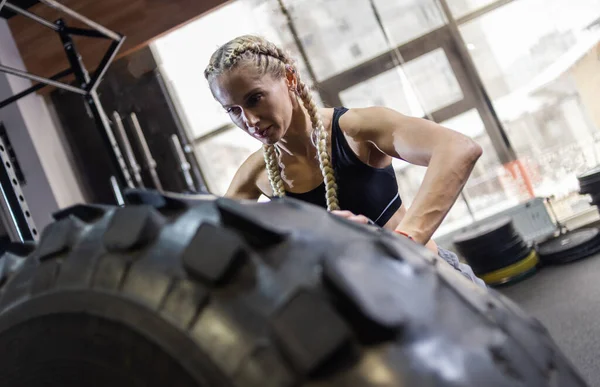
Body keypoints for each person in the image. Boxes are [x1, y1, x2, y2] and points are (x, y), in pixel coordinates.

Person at [204, 35, 486, 287]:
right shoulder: (256, 173)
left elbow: (458, 148)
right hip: (373, 316)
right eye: (233, 110)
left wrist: (403, 244)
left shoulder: (354, 129)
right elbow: (215, 247)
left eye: (255, 99)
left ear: (289, 79)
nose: (249, 120)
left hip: (438, 286)